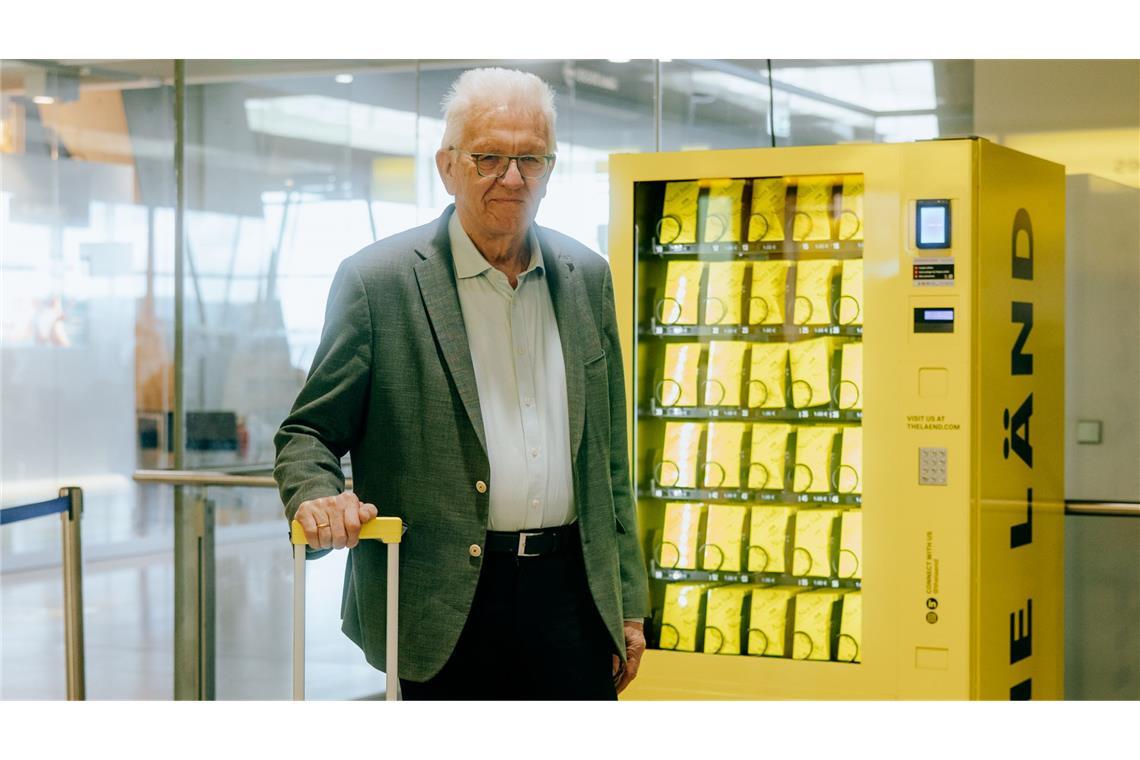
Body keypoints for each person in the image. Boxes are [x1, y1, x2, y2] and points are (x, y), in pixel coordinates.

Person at [273, 67, 649, 700]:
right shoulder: (379, 282)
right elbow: (308, 431)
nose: (512, 177)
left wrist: (629, 603)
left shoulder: (587, 277)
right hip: (440, 604)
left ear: (551, 169)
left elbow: (610, 461)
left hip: (574, 598)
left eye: (531, 158)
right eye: (489, 157)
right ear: (447, 166)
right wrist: (318, 494)